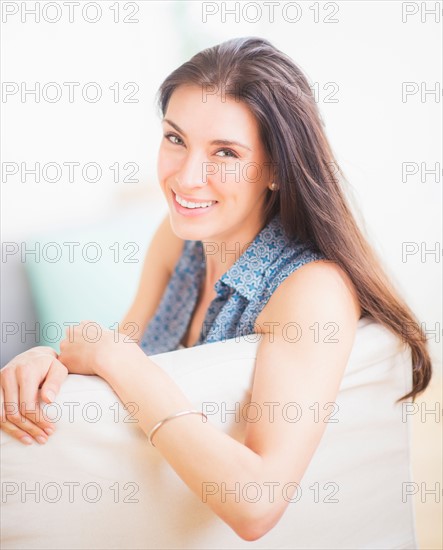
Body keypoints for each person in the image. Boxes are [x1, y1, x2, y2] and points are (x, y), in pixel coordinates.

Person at [0, 37, 432, 540]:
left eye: (225, 152)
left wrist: (116, 358)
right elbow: (117, 357)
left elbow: (258, 506)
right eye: (175, 138)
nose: (186, 177)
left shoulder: (311, 290)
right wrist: (49, 364)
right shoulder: (176, 240)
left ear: (275, 168)